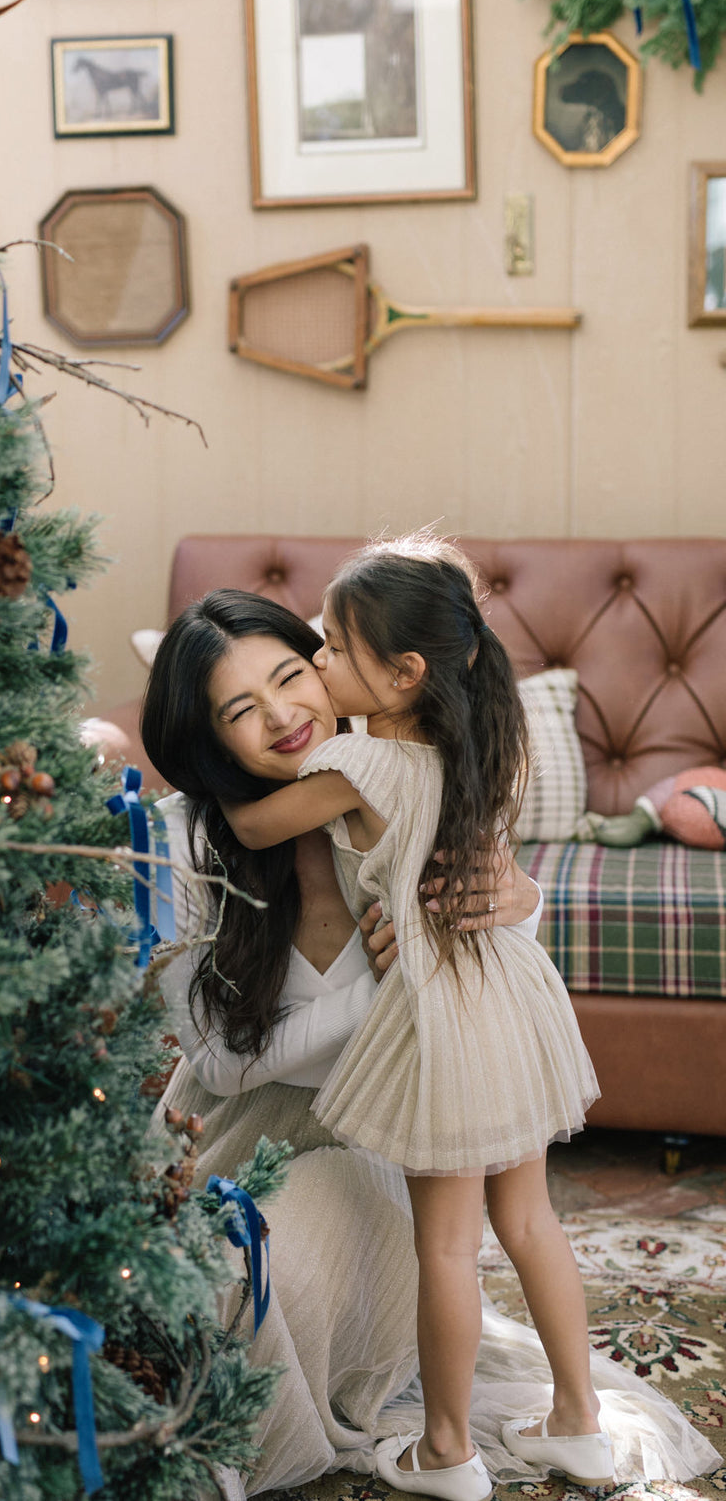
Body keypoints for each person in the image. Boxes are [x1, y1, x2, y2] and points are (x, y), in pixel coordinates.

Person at [140, 584, 717, 1499]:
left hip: (384, 1129)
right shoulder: (186, 843)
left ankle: (450, 1442)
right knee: (250, 1275)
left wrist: (517, 899)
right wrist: (389, 991)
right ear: (206, 737)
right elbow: (216, 1060)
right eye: (239, 710)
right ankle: (548, 1424)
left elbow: (486, 943)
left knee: (357, 1262)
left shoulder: (379, 786)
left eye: (297, 670)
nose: (284, 713)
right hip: (244, 1137)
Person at [219, 534, 607, 1499]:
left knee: (445, 1244)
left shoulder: (360, 764)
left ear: (404, 674)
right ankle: (579, 1423)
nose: (317, 666)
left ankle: (447, 1451)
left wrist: (206, 750)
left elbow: (253, 824)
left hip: (446, 1020)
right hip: (517, 993)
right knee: (532, 1221)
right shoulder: (479, 745)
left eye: (334, 652)